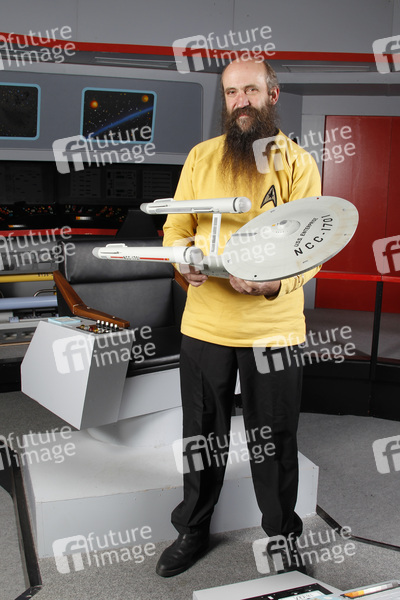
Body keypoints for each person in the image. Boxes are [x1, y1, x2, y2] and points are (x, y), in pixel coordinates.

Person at [156, 58, 321, 578]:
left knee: (275, 438)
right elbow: (176, 228)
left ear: (273, 95)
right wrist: (183, 262)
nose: (240, 101)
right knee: (202, 437)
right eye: (231, 93)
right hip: (206, 324)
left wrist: (276, 284)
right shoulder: (201, 157)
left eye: (250, 89)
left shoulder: (298, 163)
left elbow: (313, 245)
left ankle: (282, 534)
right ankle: (192, 528)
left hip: (273, 328)